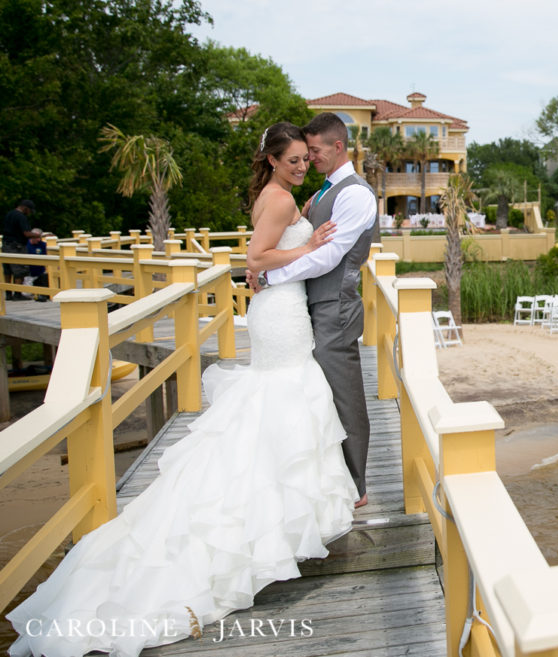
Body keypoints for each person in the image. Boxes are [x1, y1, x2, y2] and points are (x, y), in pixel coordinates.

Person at [6, 123, 358, 656]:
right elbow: (255, 261)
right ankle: (266, 517)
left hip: (282, 311)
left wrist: (300, 225)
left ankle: (275, 507)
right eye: (292, 160)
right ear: (271, 160)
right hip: (282, 314)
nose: (301, 166)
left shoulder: (280, 196)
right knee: (284, 399)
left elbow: (264, 254)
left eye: (305, 160)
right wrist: (308, 242)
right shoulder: (280, 199)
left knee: (277, 405)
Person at [248, 113, 377, 508]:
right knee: (312, 392)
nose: (309, 161)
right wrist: (267, 266)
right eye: (301, 156)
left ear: (337, 147)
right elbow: (281, 244)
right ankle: (308, 476)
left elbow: (328, 257)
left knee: (343, 394)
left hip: (335, 305)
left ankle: (355, 484)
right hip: (304, 307)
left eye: (313, 153)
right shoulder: (320, 193)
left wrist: (270, 276)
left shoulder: (355, 194)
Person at [3, 198, 36, 300]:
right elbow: (26, 233)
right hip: (17, 246)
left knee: (8, 270)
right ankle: (17, 294)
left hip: (6, 245)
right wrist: (39, 235)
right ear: (25, 208)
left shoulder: (9, 214)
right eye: (29, 211)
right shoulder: (21, 217)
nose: (29, 213)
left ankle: (8, 294)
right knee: (20, 270)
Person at [23, 228, 49, 301]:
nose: (38, 239)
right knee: (26, 294)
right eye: (36, 237)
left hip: (40, 272)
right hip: (27, 274)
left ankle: (43, 294)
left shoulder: (43, 245)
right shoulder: (25, 245)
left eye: (39, 237)